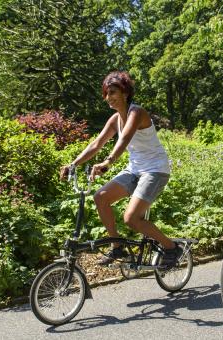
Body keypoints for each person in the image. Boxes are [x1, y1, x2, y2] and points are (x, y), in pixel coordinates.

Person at [60, 71, 181, 267]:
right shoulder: (115, 119)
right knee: (100, 197)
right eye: (106, 93)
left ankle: (171, 248)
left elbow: (124, 139)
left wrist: (107, 162)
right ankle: (117, 247)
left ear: (125, 93)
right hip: (135, 169)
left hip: (155, 170)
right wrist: (73, 164)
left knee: (131, 218)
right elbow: (97, 143)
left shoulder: (137, 112)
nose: (108, 97)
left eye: (113, 92)